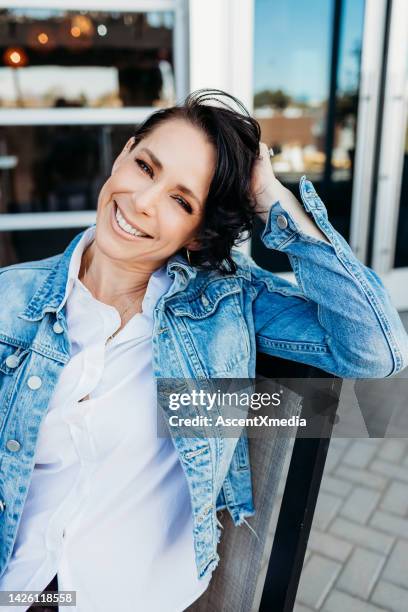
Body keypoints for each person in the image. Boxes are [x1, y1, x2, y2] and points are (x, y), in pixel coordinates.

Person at [0, 88, 407, 612]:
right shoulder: (10, 299)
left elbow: (376, 348)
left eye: (181, 201)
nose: (143, 202)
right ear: (123, 154)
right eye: (146, 167)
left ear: (196, 234)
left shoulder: (223, 308)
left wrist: (270, 198)